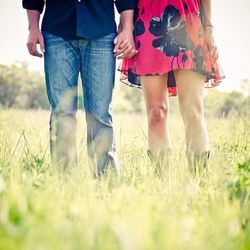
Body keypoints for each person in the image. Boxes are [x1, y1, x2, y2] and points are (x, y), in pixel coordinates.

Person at [22, 0, 137, 177]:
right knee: (62, 113)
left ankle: (106, 182)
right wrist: (32, 28)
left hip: (102, 32)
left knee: (100, 113)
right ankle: (63, 181)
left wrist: (128, 28)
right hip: (56, 31)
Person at [120, 0, 224, 176]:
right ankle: (162, 184)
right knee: (156, 112)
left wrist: (209, 29)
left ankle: (197, 181)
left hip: (188, 16)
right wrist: (126, 27)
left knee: (193, 111)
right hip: (148, 21)